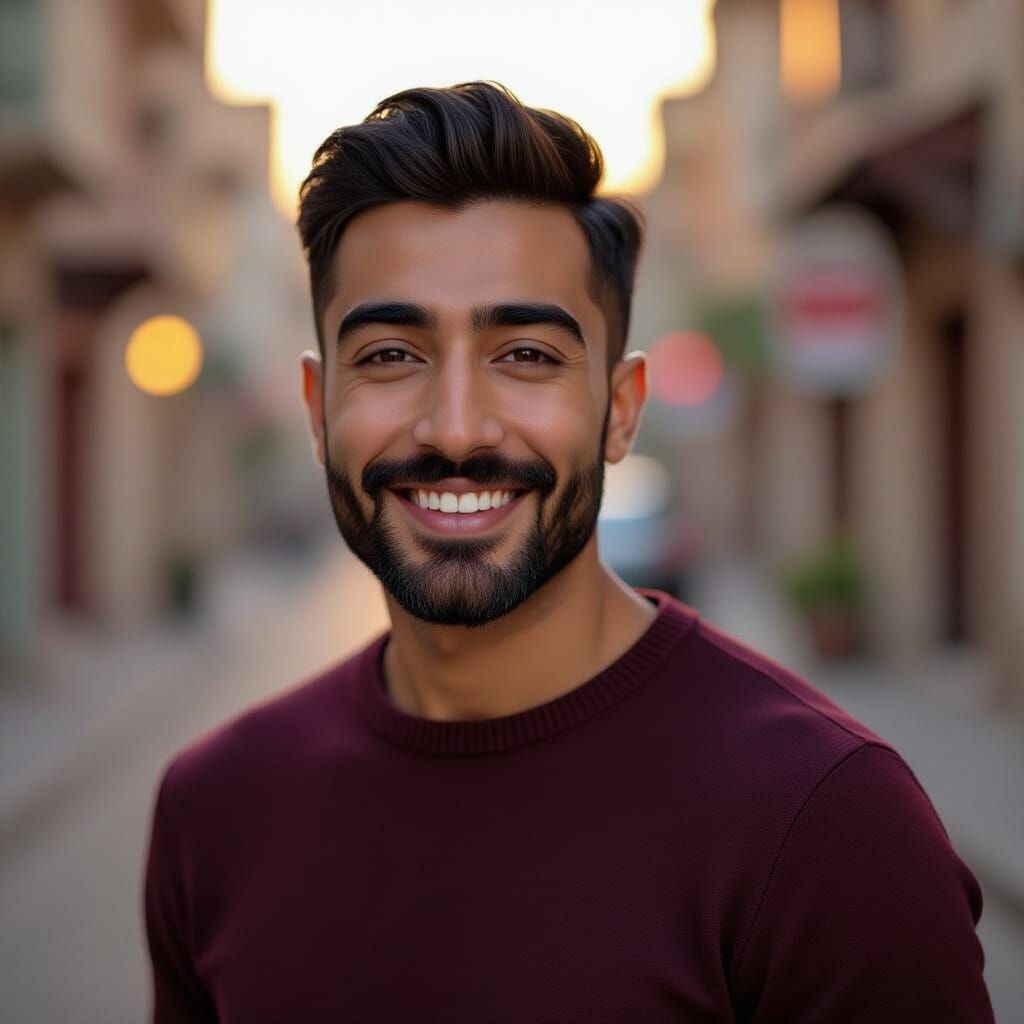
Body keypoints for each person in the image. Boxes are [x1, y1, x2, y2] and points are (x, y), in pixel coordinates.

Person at [143, 81, 994, 1022]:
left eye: (528, 356)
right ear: (317, 410)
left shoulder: (824, 823)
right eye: (390, 354)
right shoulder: (215, 810)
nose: (457, 428)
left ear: (620, 410)